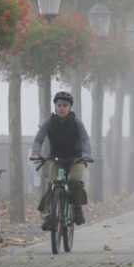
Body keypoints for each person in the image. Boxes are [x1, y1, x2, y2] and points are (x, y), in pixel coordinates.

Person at [31, 91, 92, 231]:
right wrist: (35, 152)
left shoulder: (76, 122)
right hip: (57, 159)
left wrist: (87, 154)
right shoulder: (49, 122)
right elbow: (39, 139)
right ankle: (50, 215)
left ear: (70, 107)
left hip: (76, 159)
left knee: (74, 181)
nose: (61, 108)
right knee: (53, 184)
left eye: (65, 105)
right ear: (55, 106)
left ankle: (77, 209)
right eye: (59, 105)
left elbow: (85, 139)